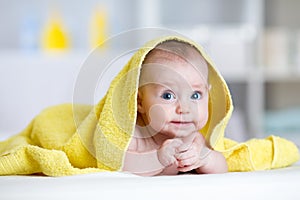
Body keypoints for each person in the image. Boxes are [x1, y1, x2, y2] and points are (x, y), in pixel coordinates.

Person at [122, 40, 228, 176]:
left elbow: (223, 169)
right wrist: (157, 159)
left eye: (195, 95)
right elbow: (119, 166)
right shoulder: (135, 135)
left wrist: (206, 159)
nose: (184, 109)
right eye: (168, 96)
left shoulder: (194, 138)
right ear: (140, 101)